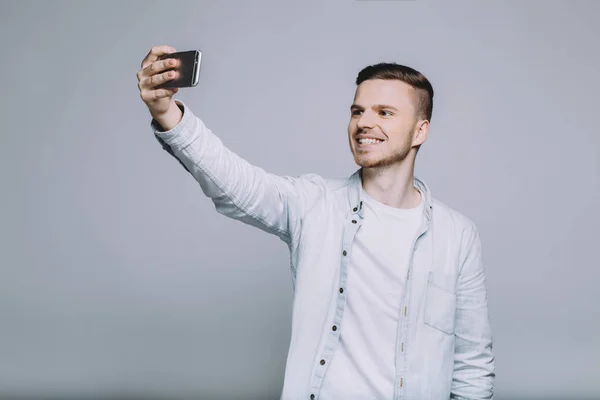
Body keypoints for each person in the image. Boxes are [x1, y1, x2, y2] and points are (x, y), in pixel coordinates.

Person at [136, 45, 495, 400]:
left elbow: (472, 368)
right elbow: (236, 184)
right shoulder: (314, 204)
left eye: (385, 112)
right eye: (358, 111)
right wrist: (168, 113)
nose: (364, 122)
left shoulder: (457, 235)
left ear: (420, 132)